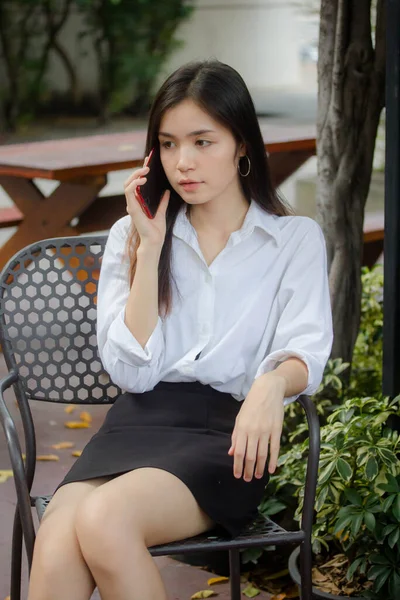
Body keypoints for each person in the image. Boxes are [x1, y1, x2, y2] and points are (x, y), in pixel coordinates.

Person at [27, 60, 333, 600]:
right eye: (167, 144)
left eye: (202, 141)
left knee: (103, 520)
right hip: (136, 423)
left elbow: (306, 348)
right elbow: (130, 373)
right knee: (56, 540)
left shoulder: (293, 240)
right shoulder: (134, 233)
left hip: (226, 436)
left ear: (242, 144)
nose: (183, 162)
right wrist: (149, 248)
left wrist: (269, 386)